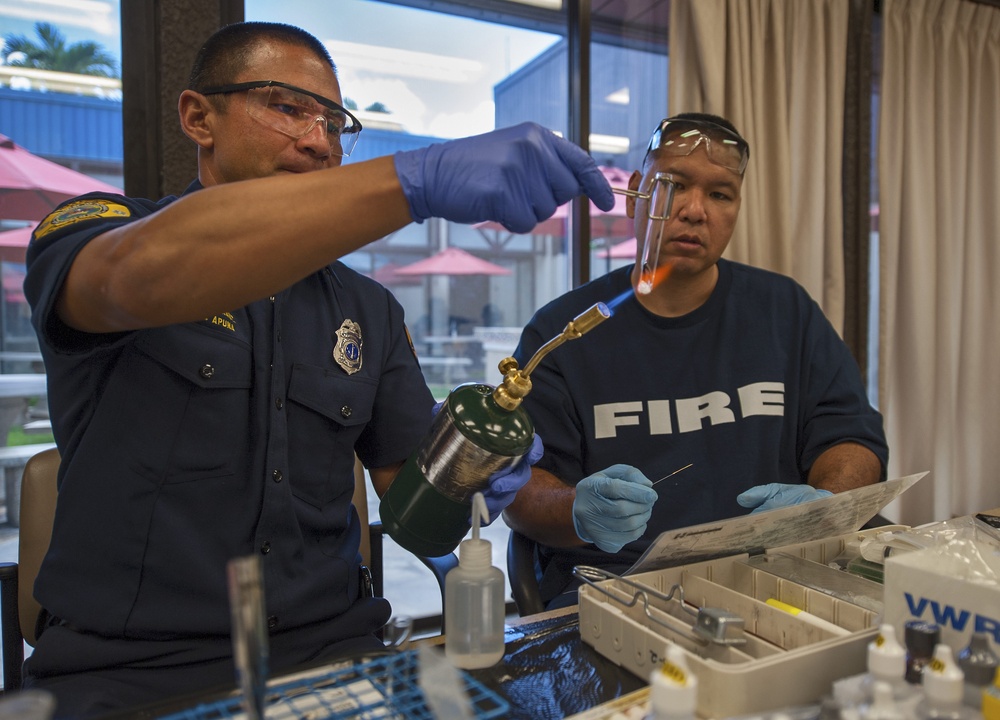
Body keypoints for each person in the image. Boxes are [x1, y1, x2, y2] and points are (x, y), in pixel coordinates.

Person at [21, 21, 611, 717]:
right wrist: (410, 180)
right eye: (286, 107)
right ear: (197, 116)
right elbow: (135, 278)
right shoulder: (100, 230)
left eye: (335, 122)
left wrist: (468, 472)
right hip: (130, 669)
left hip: (332, 650)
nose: (320, 141)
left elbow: (416, 511)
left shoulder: (367, 310)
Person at [503, 112, 888, 609]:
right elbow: (518, 489)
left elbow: (852, 438)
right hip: (623, 584)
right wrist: (574, 508)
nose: (694, 210)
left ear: (736, 208)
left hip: (778, 571)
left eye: (719, 194)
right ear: (638, 191)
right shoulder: (563, 332)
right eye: (674, 185)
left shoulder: (785, 310)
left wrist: (825, 506)